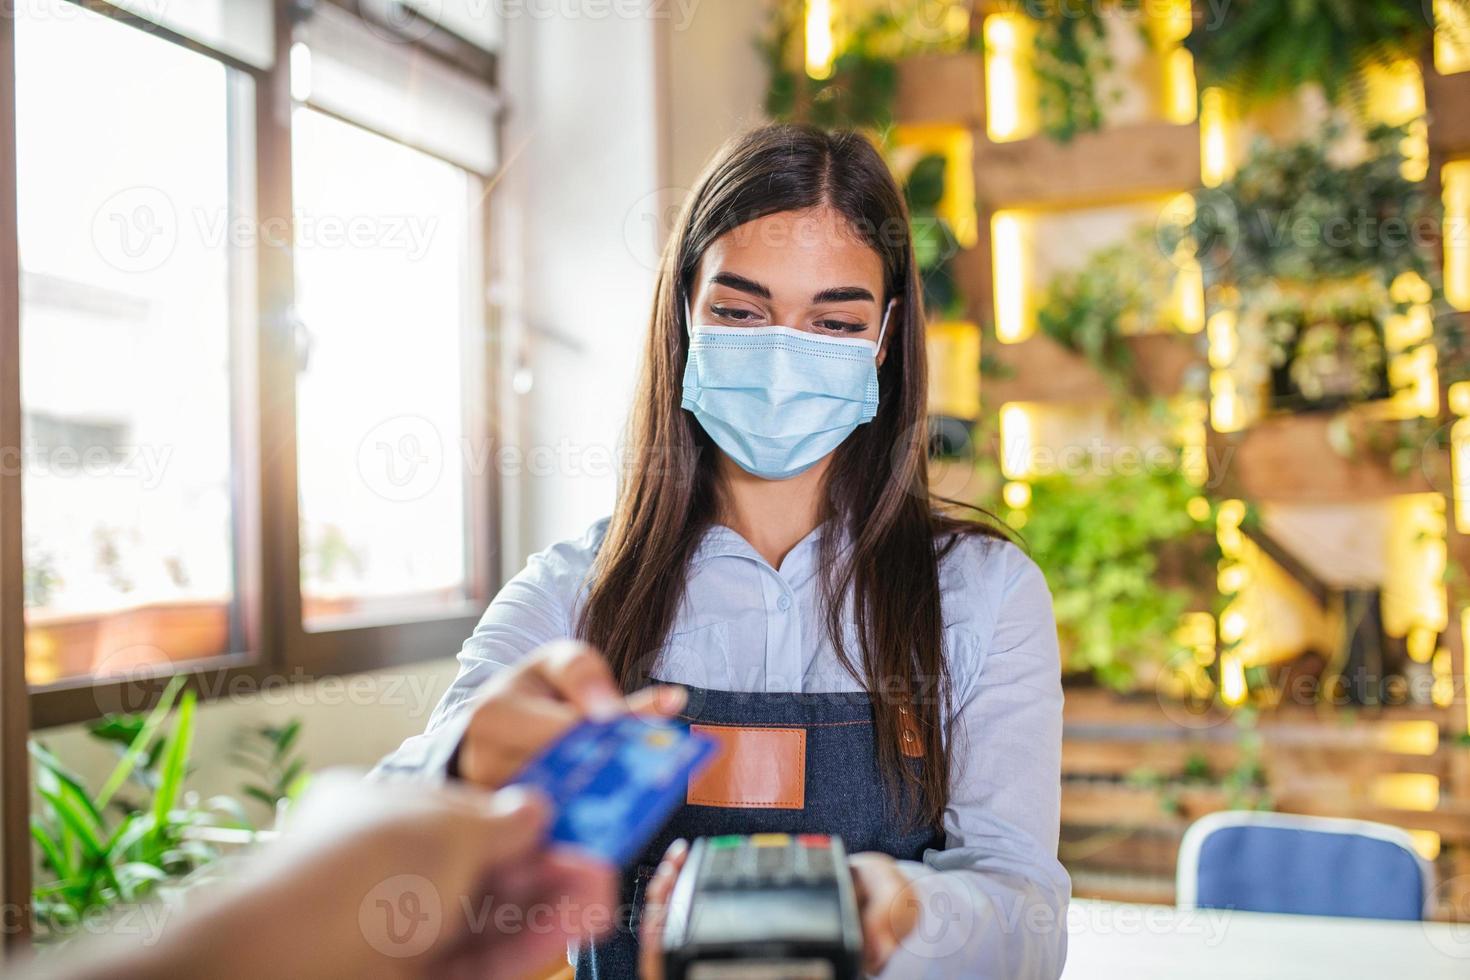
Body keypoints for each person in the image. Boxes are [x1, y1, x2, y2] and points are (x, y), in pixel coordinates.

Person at [377, 123, 1070, 978]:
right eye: (741, 313)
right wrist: (464, 762)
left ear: (885, 340)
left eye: (834, 321)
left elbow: (1028, 919)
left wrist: (909, 912)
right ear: (685, 316)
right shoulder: (570, 596)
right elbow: (386, 860)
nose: (784, 356)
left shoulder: (984, 593)